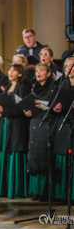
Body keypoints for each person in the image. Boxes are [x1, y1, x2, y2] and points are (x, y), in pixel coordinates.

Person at [0, 64, 30, 199]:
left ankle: (16, 189)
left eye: (14, 70)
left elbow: (22, 109)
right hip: (6, 124)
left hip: (17, 125)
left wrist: (4, 111)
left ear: (20, 74)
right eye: (9, 69)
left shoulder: (22, 88)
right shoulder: (8, 87)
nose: (10, 72)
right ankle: (5, 188)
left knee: (15, 154)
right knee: (5, 152)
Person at [23, 64, 55, 201]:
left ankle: (47, 192)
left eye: (41, 70)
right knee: (34, 156)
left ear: (48, 73)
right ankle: (36, 191)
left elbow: (55, 107)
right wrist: (27, 111)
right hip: (35, 123)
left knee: (44, 157)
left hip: (46, 124)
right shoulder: (34, 87)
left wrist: (45, 107)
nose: (38, 73)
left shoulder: (54, 88)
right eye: (36, 71)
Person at [51, 56, 74, 200]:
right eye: (66, 66)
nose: (69, 68)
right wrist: (57, 107)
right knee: (63, 155)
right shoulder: (63, 84)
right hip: (64, 124)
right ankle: (63, 193)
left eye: (72, 65)